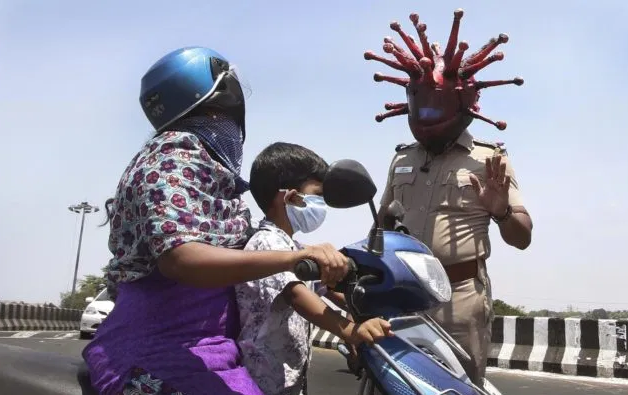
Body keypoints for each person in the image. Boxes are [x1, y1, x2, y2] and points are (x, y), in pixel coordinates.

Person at [82, 46, 350, 395]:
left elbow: (244, 257)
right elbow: (182, 259)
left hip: (213, 350)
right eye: (222, 113)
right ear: (215, 108)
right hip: (157, 349)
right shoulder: (169, 159)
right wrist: (294, 258)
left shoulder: (207, 172)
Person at [364, 9, 533, 386]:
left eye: (436, 106)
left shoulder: (489, 158)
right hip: (402, 293)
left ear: (463, 106)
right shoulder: (402, 158)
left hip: (459, 298)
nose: (426, 115)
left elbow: (522, 237)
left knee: (461, 386)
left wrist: (502, 211)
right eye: (419, 105)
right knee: (399, 382)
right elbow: (382, 224)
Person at [236, 142, 393, 395]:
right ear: (290, 197)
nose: (322, 206)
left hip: (288, 377)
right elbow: (297, 295)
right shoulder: (268, 244)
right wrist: (351, 331)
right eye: (317, 196)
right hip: (264, 380)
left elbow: (330, 288)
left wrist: (364, 308)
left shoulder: (294, 246)